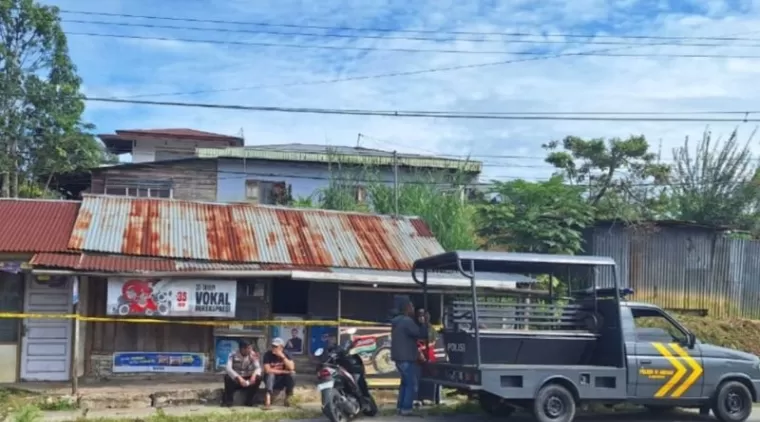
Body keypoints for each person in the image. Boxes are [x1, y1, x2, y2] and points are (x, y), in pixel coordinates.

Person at [391, 296, 430, 416]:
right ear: (407, 307)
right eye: (411, 306)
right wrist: (424, 323)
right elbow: (420, 334)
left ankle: (400, 407)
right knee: (411, 384)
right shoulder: (407, 321)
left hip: (398, 357)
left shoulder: (396, 321)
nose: (413, 308)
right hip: (406, 357)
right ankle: (406, 408)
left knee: (404, 383)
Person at [222, 340, 262, 407]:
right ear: (242, 349)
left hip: (249, 380)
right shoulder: (233, 354)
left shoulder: (252, 354)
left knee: (259, 377)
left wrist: (254, 375)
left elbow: (258, 368)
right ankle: (229, 402)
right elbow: (228, 368)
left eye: (250, 348)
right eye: (248, 348)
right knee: (227, 377)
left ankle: (250, 401)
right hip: (237, 380)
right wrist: (239, 378)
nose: (250, 350)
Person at [262, 337, 296, 408]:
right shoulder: (267, 354)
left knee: (292, 374)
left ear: (281, 347)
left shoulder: (287, 354)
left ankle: (288, 396)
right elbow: (267, 370)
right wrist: (284, 371)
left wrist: (283, 357)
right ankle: (268, 398)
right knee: (270, 374)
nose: (273, 348)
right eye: (272, 346)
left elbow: (292, 368)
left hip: (282, 379)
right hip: (271, 380)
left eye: (276, 346)